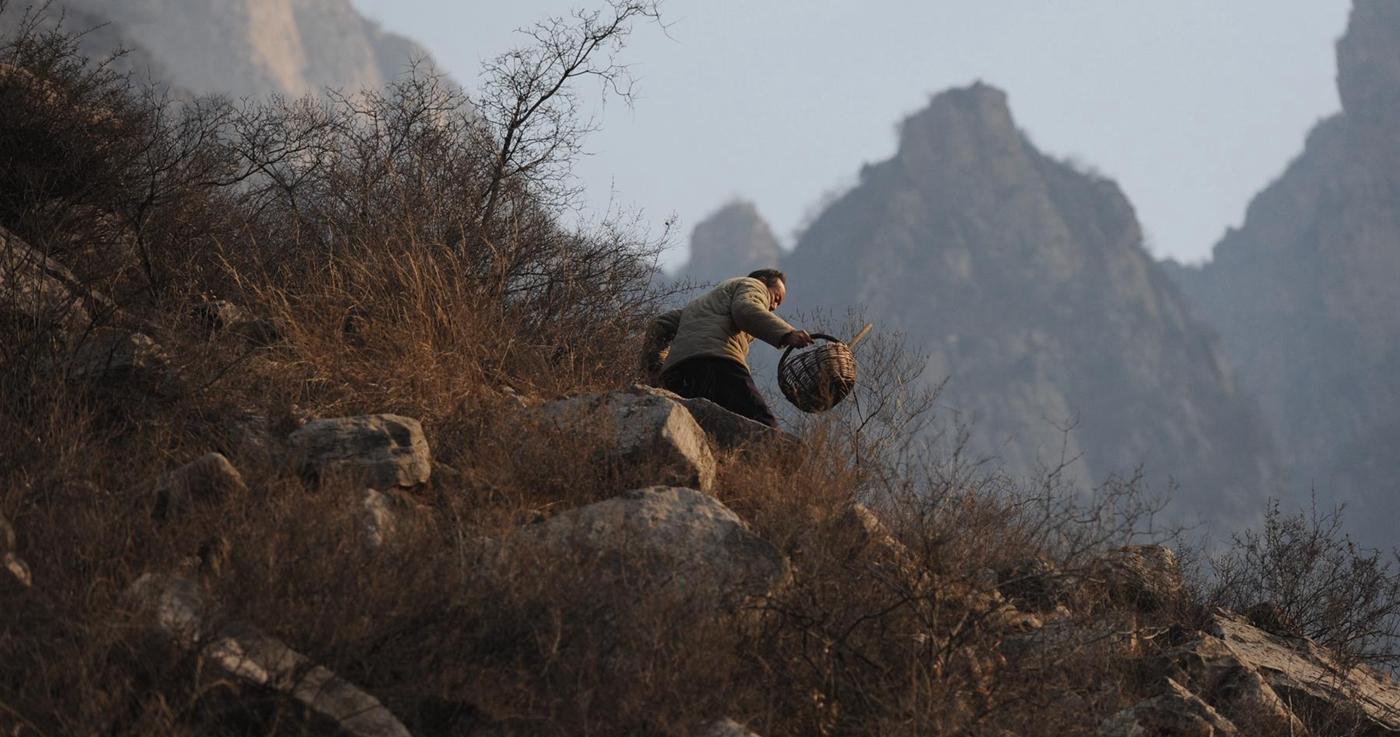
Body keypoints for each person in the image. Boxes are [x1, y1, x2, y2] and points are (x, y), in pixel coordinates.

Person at [642, 269, 813, 428]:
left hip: (677, 373)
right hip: (717, 362)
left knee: (702, 428)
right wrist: (787, 333)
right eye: (776, 297)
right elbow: (745, 310)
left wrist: (655, 368)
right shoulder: (751, 284)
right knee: (764, 424)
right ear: (762, 281)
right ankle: (777, 460)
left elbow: (660, 324)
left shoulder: (702, 305)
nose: (774, 307)